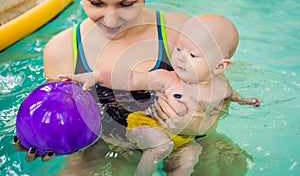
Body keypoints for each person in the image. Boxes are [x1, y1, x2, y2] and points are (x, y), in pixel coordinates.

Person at [12, 0, 261, 174]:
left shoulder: (178, 31)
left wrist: (195, 124)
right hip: (104, 149)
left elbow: (217, 100)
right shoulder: (62, 49)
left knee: (227, 166)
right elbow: (59, 113)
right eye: (96, 3)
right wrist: (44, 136)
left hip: (184, 142)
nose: (111, 18)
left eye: (126, 3)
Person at [58, 14, 262, 175]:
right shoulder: (166, 78)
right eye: (179, 48)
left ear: (219, 66)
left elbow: (231, 96)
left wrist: (246, 101)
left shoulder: (221, 87)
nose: (181, 58)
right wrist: (97, 76)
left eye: (192, 55)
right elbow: (130, 79)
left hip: (182, 137)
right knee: (161, 146)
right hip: (145, 126)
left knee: (192, 153)